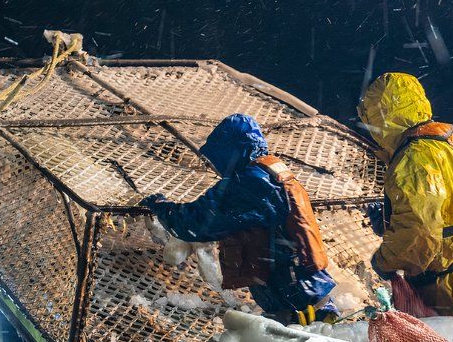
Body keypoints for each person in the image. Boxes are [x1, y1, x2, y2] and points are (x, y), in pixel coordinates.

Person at [143, 113, 337, 325]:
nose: (217, 165)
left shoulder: (251, 183)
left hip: (299, 304)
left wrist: (161, 207)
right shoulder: (269, 172)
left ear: (234, 150)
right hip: (303, 294)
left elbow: (196, 224)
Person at [357, 72, 453, 314]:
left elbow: (420, 233)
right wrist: (394, 220)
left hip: (450, 298)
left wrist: (385, 259)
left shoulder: (413, 161)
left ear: (382, 116)